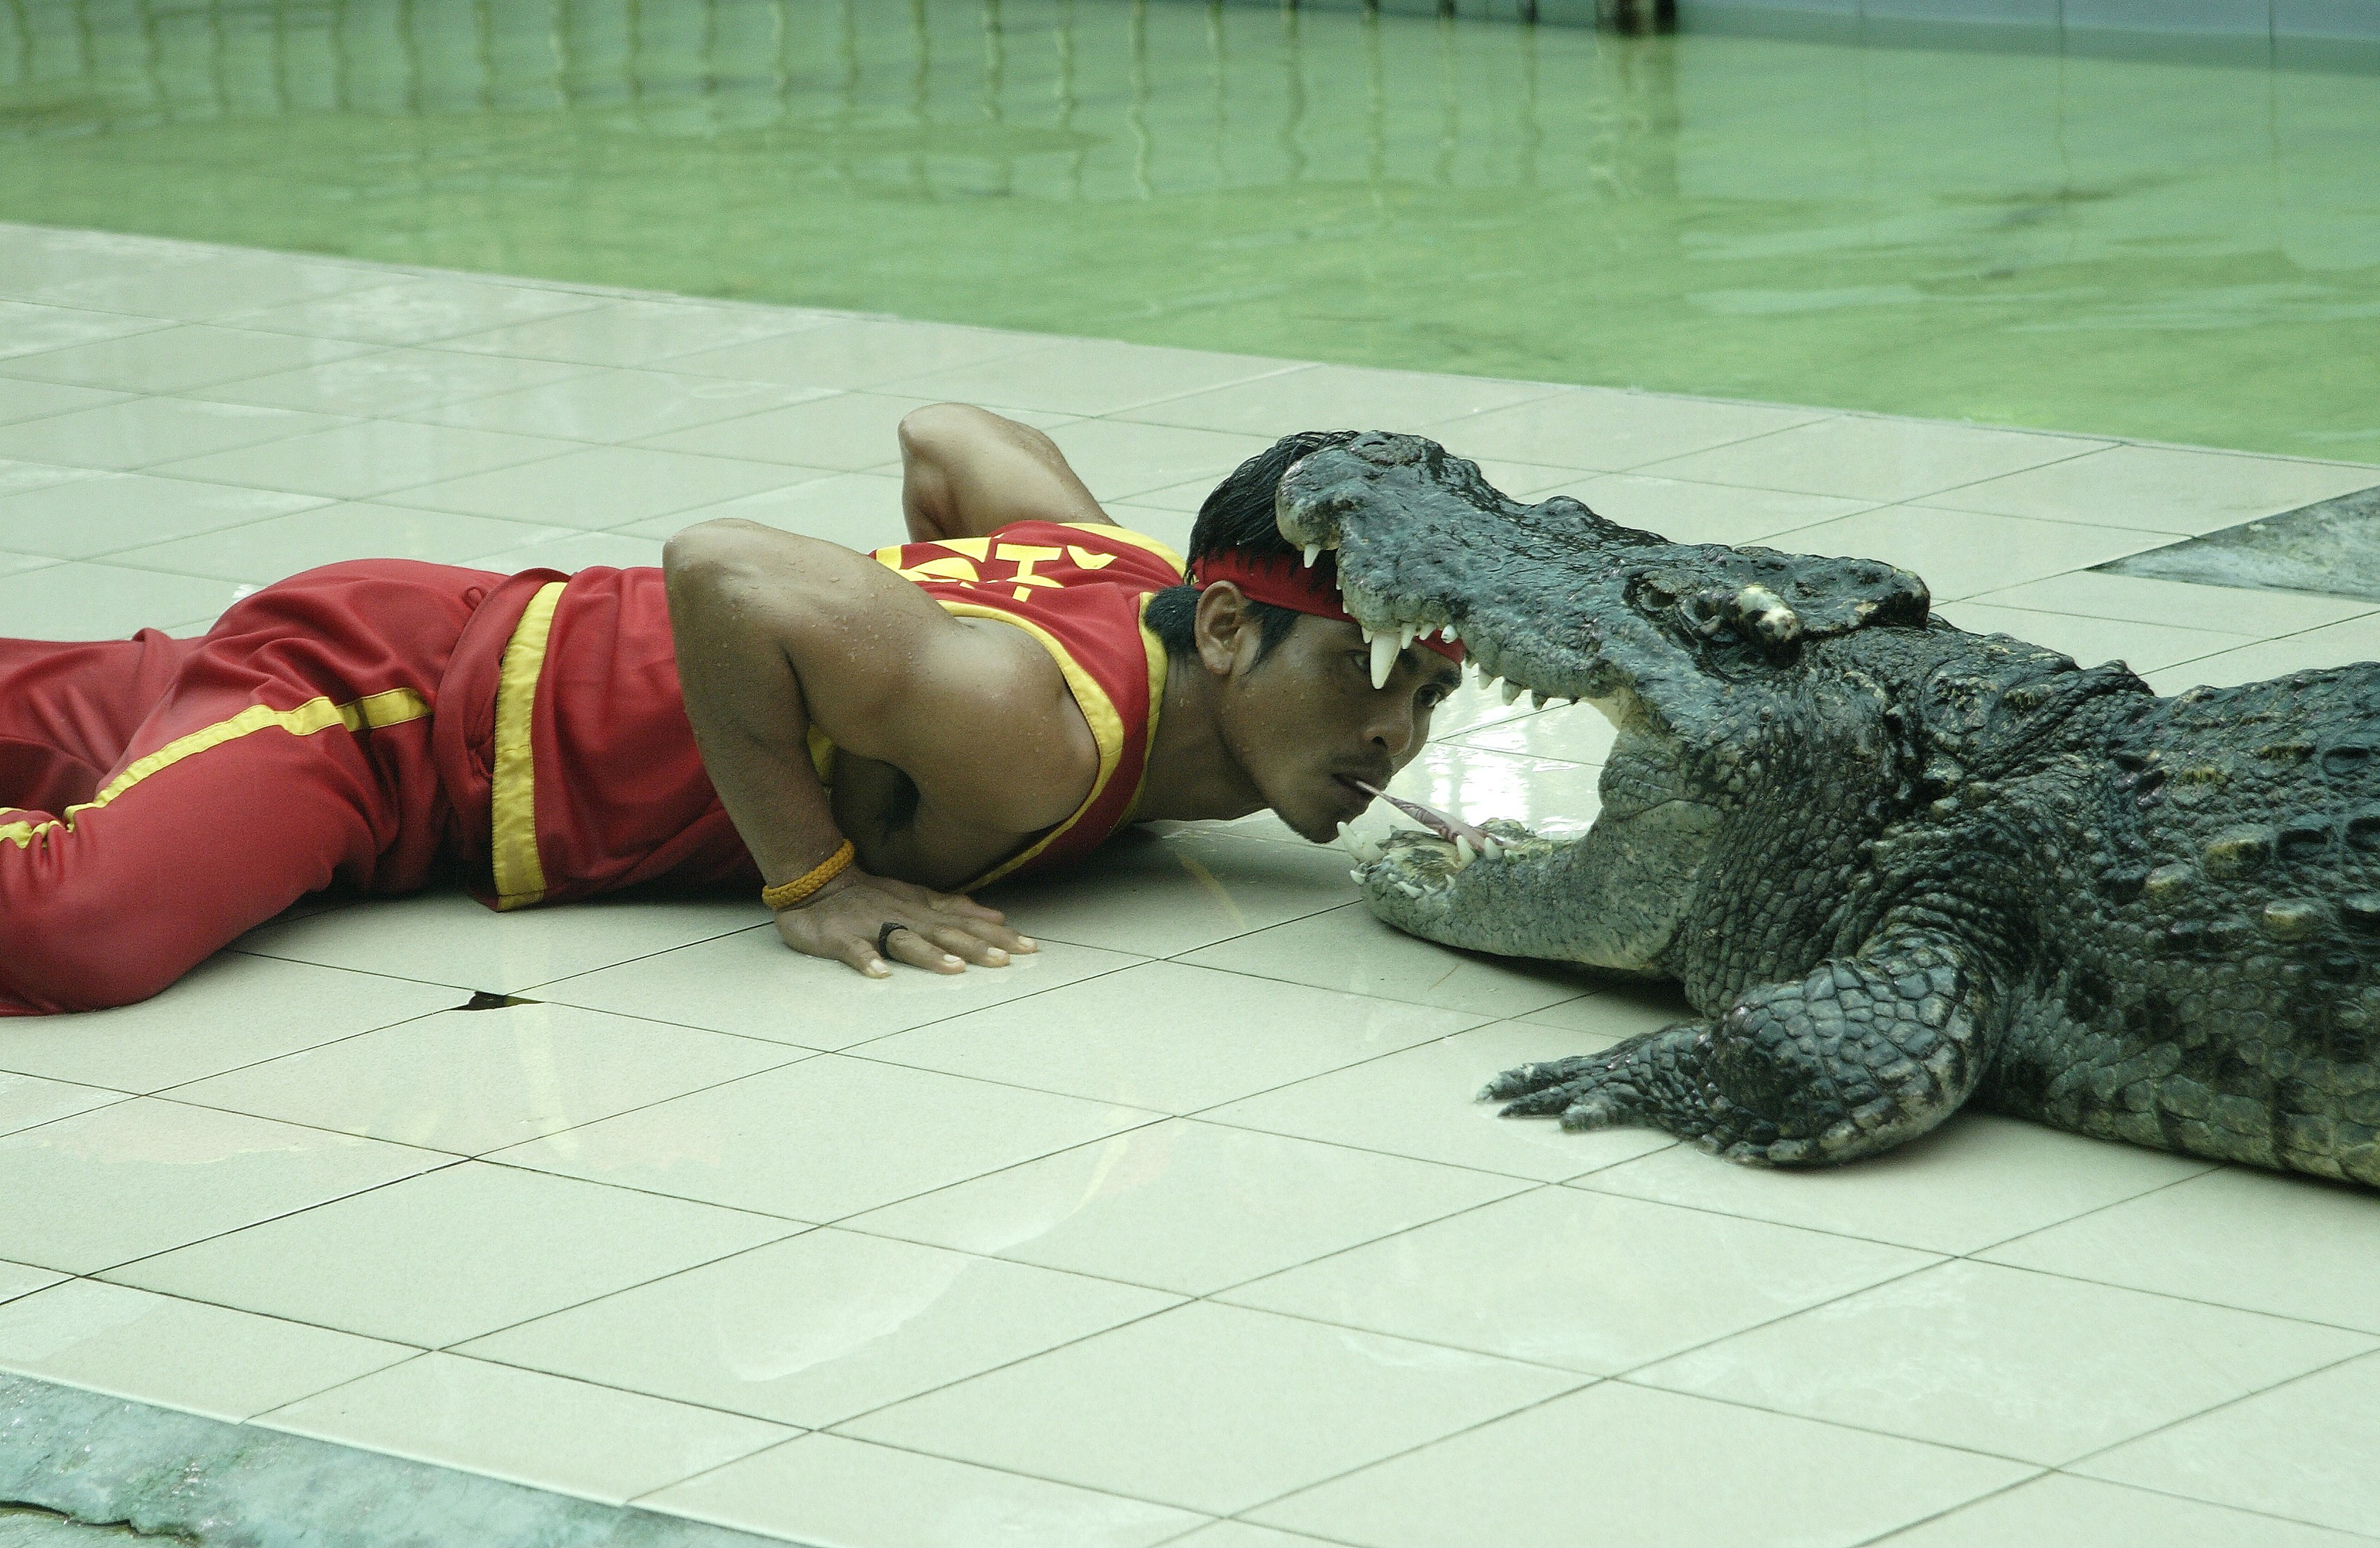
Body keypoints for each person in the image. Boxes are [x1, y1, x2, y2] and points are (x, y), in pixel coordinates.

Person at [1, 406, 1463, 1016]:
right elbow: (720, 568)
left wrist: (885, 700)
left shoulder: (1135, 576)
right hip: (381, 718)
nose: (1393, 733)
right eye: (1364, 671)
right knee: (85, 924)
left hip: (439, 636)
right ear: (1222, 626)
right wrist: (813, 870)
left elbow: (953, 437)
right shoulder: (1033, 734)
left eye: (1429, 691)